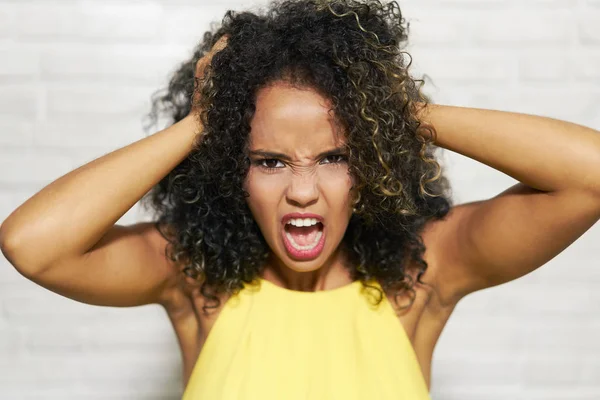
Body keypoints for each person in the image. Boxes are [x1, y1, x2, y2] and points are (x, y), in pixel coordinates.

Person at [1, 0, 599, 398]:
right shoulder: (199, 282)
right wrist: (201, 125)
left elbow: (591, 175)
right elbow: (30, 245)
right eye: (269, 161)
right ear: (233, 171)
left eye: (335, 157)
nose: (303, 190)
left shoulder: (420, 276)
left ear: (370, 164)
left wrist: (393, 113)